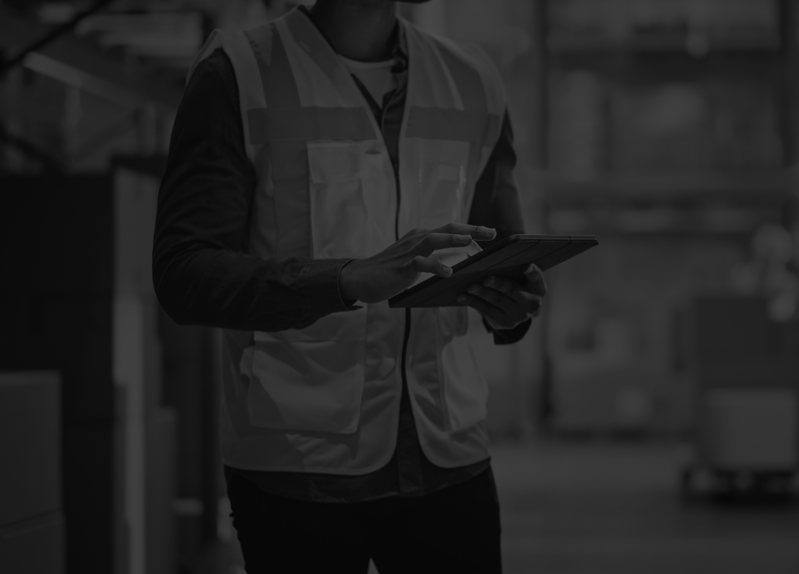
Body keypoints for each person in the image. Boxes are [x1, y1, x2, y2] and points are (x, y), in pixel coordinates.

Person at [152, 1, 544, 572]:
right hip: (298, 469)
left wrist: (513, 310)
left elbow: (500, 253)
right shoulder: (238, 72)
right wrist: (345, 280)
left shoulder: (473, 80)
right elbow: (184, 273)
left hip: (450, 458)